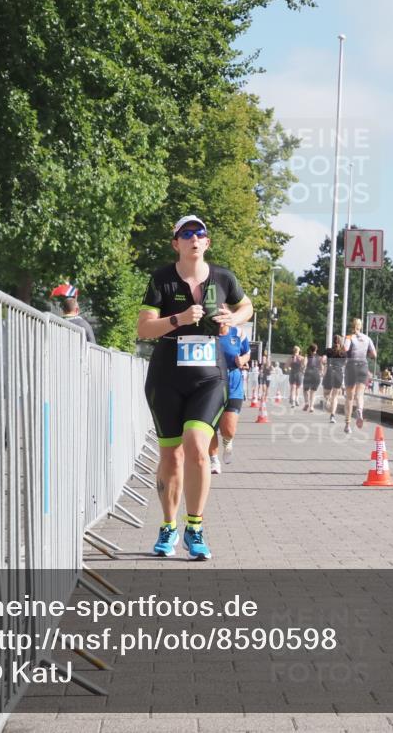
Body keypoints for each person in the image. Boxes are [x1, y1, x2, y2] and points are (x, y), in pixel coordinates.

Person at [138, 214, 253, 560]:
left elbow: (246, 305)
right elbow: (144, 329)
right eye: (185, 234)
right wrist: (178, 319)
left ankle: (196, 527)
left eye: (198, 233)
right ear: (176, 243)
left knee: (197, 446)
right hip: (166, 377)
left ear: (207, 243)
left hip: (209, 377)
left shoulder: (224, 278)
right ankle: (168, 526)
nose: (193, 238)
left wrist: (232, 318)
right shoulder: (161, 279)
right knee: (171, 456)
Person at [208, 323, 250, 473]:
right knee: (210, 426)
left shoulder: (238, 333)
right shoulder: (206, 332)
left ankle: (228, 441)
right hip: (211, 384)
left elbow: (248, 352)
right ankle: (213, 461)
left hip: (233, 384)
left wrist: (243, 360)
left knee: (229, 429)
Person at [343, 318, 377, 434]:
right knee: (360, 395)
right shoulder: (367, 338)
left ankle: (347, 425)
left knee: (349, 397)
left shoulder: (349, 337)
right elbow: (374, 354)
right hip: (363, 366)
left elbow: (345, 349)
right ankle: (359, 410)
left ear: (352, 326)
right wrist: (366, 352)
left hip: (351, 365)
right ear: (361, 326)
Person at [323, 334, 346, 423]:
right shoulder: (343, 353)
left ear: (333, 341)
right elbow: (344, 364)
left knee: (326, 394)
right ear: (341, 342)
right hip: (338, 374)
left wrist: (324, 363)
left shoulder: (328, 351)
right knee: (335, 397)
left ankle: (327, 401)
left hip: (329, 372)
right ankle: (332, 416)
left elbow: (323, 360)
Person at [302, 342, 322, 412]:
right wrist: (321, 373)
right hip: (316, 374)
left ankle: (307, 402)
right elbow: (321, 367)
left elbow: (304, 364)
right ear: (316, 349)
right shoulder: (319, 357)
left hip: (308, 373)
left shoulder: (307, 356)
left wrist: (303, 368)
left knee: (305, 390)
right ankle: (311, 407)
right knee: (313, 392)